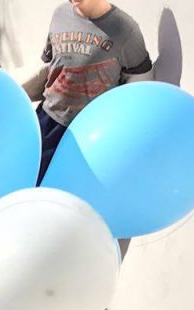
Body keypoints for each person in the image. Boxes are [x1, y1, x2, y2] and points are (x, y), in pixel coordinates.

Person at [22, 0, 153, 183]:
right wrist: (18, 93)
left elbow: (140, 87)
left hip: (87, 135)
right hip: (48, 120)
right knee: (28, 180)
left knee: (63, 193)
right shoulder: (60, 14)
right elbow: (51, 66)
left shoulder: (125, 30)